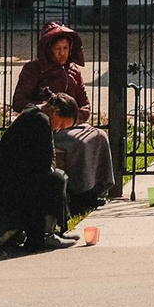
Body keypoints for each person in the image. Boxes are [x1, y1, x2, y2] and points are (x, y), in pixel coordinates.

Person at [12, 21, 113, 210]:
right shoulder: (34, 69)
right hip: (50, 125)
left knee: (100, 136)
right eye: (57, 48)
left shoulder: (74, 71)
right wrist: (44, 112)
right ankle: (78, 194)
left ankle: (96, 189)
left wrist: (74, 118)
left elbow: (85, 105)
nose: (62, 53)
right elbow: (18, 101)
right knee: (79, 143)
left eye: (66, 48)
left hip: (73, 123)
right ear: (48, 49)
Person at [0, 94, 89, 251]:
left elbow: (48, 158)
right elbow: (44, 163)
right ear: (55, 113)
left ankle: (53, 231)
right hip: (2, 187)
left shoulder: (37, 115)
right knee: (55, 180)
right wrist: (51, 170)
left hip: (6, 181)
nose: (59, 129)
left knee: (55, 176)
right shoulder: (39, 121)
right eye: (61, 124)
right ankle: (43, 236)